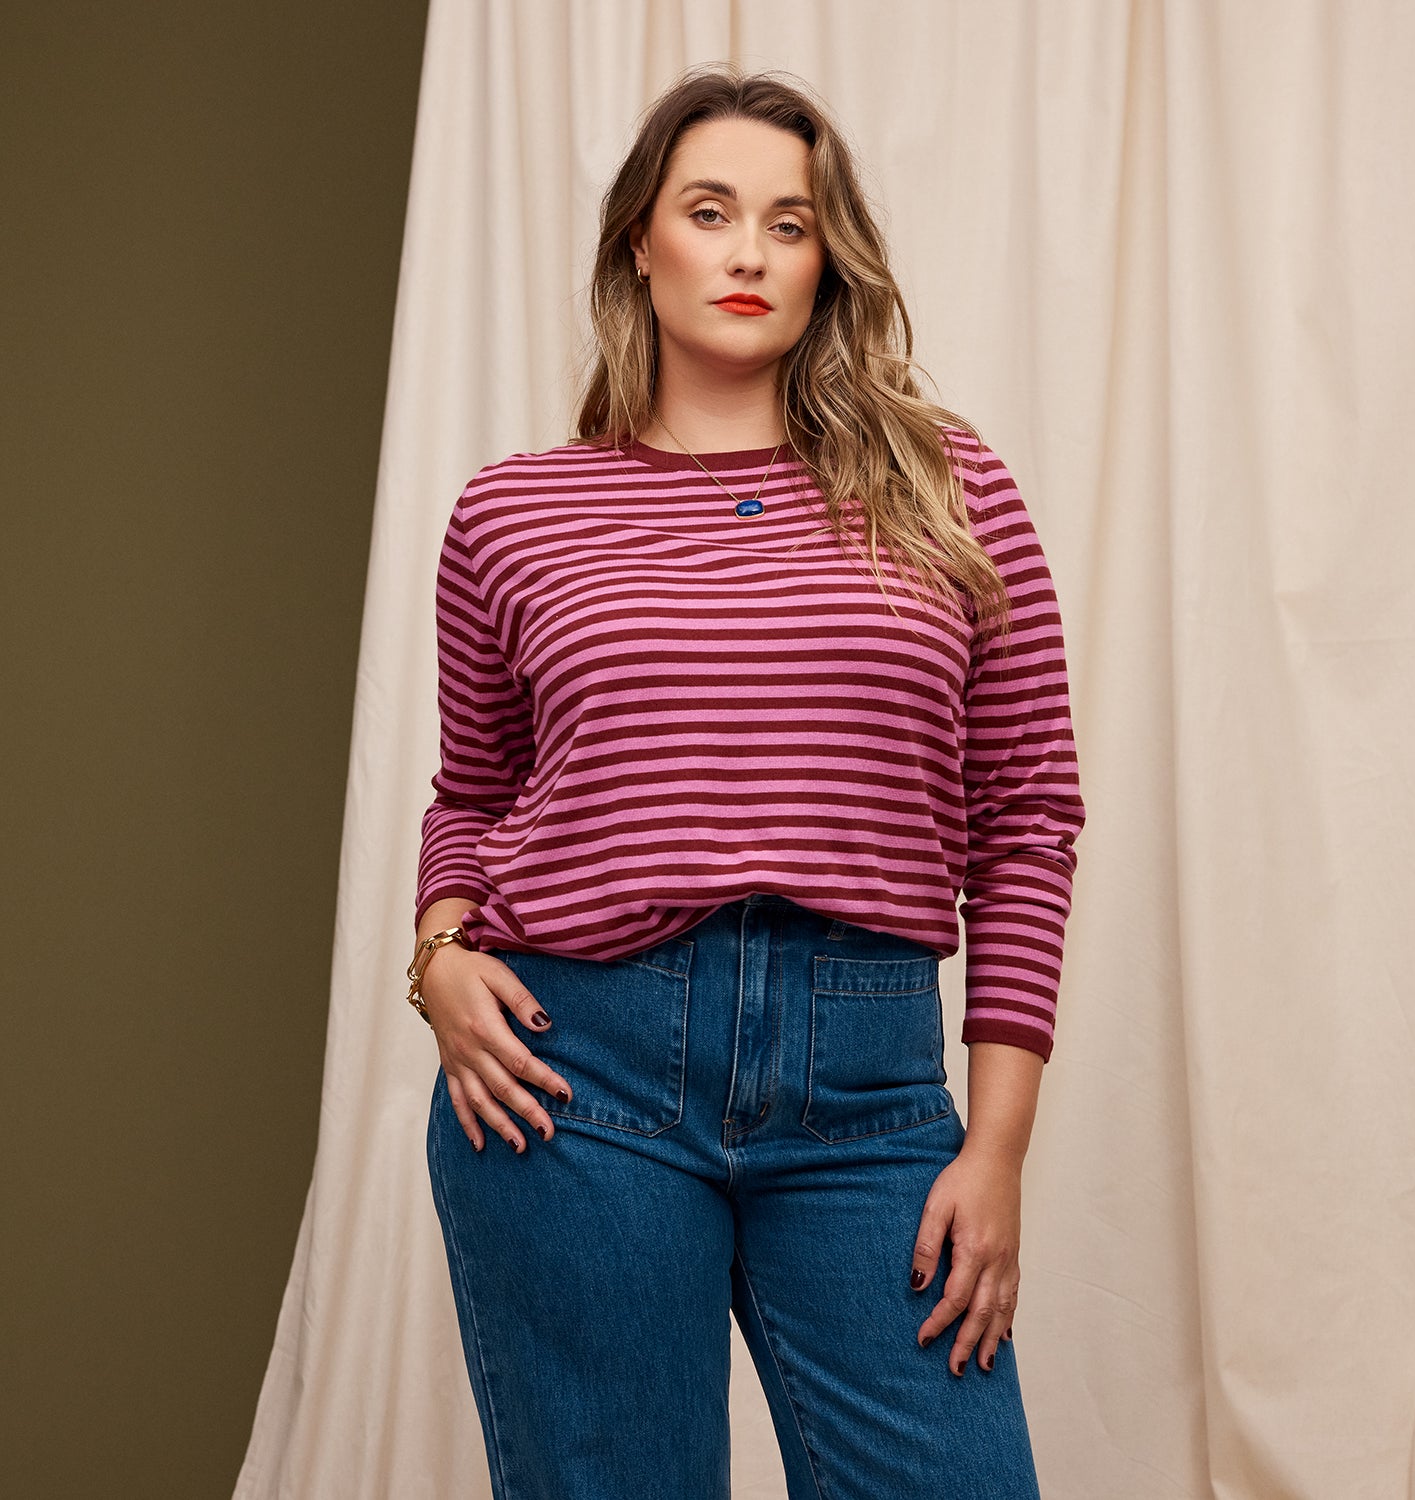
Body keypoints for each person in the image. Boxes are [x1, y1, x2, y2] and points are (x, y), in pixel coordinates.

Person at [409, 63, 1085, 1500]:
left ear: (827, 263)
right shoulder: (516, 512)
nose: (750, 253)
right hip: (571, 1079)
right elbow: (472, 792)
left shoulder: (948, 488)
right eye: (710, 211)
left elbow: (1027, 817)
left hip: (869, 1091)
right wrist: (440, 956)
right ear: (639, 244)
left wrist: (998, 1146)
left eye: (790, 223)